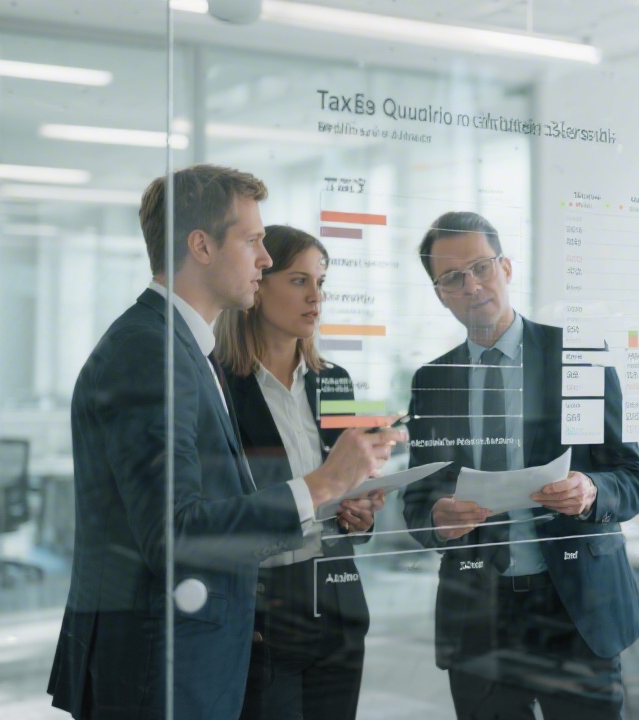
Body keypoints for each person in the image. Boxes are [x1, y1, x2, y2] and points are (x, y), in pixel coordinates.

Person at [47, 165, 404, 720]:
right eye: (253, 240)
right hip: (160, 668)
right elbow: (175, 533)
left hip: (195, 655)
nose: (263, 258)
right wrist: (324, 484)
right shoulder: (151, 351)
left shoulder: (186, 349)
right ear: (202, 246)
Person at [401, 211, 639, 720]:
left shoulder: (577, 356)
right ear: (440, 294)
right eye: (453, 277)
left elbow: (633, 479)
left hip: (575, 608)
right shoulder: (432, 381)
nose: (472, 286)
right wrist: (437, 517)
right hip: (480, 616)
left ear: (506, 268)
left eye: (481, 267)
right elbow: (417, 502)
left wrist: (590, 489)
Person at [215, 225, 383, 720]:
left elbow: (345, 487)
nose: (316, 297)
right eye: (298, 281)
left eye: (321, 283)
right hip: (265, 608)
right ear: (258, 282)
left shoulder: (335, 382)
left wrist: (362, 512)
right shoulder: (219, 385)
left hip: (337, 601)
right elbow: (221, 509)